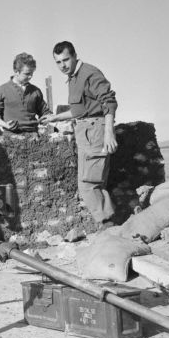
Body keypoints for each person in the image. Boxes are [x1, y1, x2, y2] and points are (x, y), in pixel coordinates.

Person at [47, 41, 118, 228]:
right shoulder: (73, 77)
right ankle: (108, 226)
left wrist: (109, 134)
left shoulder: (89, 73)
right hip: (85, 131)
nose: (62, 65)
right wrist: (55, 118)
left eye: (66, 60)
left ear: (75, 55)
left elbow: (109, 102)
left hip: (95, 131)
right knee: (93, 182)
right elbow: (79, 110)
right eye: (58, 62)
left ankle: (107, 227)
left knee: (89, 184)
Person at [0, 52, 50, 133]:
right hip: (11, 138)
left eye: (32, 73)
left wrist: (51, 118)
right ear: (16, 72)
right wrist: (5, 125)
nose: (30, 76)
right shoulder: (1, 90)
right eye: (27, 74)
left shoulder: (36, 91)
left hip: (34, 137)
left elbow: (45, 113)